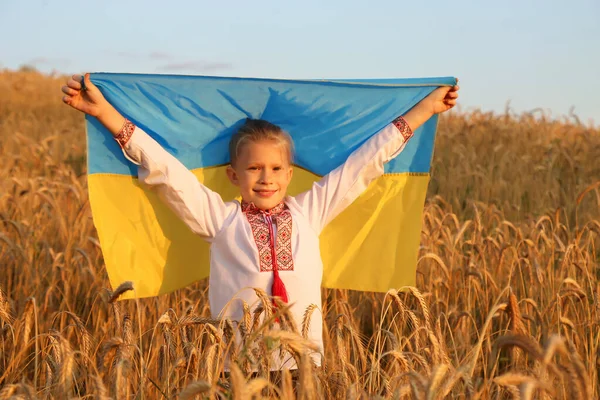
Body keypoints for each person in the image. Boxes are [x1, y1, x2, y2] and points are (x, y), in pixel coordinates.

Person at [62, 73, 459, 369]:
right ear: (234, 175)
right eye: (253, 168)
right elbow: (167, 172)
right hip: (236, 368)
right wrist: (106, 113)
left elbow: (363, 165)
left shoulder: (310, 210)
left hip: (304, 366)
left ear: (289, 174)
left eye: (275, 168)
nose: (266, 177)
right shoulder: (219, 219)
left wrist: (425, 109)